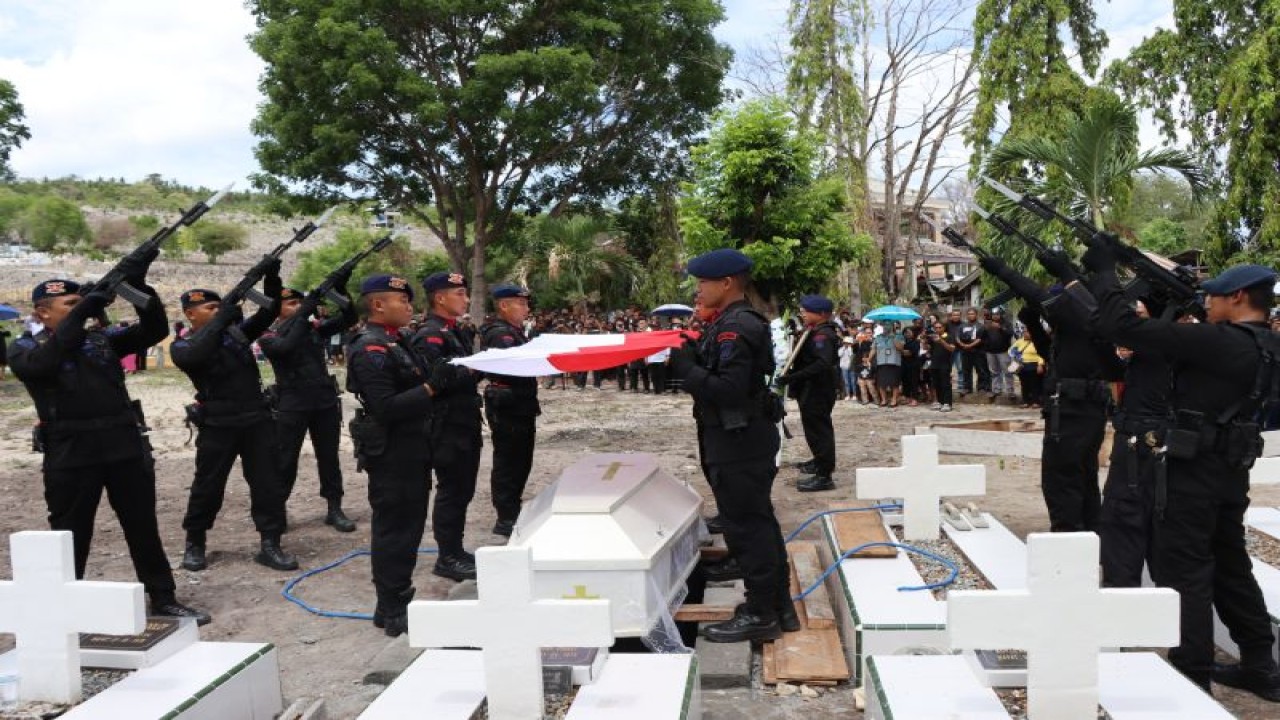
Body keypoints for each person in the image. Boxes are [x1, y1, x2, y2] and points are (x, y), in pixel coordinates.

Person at [1091, 254, 1280, 700]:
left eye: (1214, 294)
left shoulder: (1218, 342)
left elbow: (1126, 328)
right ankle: (1261, 666)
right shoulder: (1267, 345)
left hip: (1193, 472)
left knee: (1185, 572)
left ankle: (1190, 680)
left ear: (1237, 297)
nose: (1206, 300)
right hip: (1230, 471)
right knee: (1231, 566)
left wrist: (1105, 272)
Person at [9, 276, 209, 624]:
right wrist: (86, 307)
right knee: (71, 534)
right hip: (71, 453)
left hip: (123, 446)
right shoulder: (25, 347)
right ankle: (66, 609)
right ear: (42, 312)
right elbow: (44, 365)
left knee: (142, 526)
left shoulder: (100, 339)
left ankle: (162, 597)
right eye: (69, 305)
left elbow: (153, 328)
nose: (79, 310)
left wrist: (140, 286)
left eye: (79, 303)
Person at [668, 248, 794, 642]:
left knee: (746, 528)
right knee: (757, 523)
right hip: (738, 438)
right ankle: (776, 605)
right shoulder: (731, 322)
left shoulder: (735, 327)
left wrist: (687, 370)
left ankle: (761, 614)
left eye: (703, 282)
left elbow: (730, 389)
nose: (698, 290)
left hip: (738, 440)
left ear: (726, 283)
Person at [978, 252, 1122, 532]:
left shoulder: (1083, 320)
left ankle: (1068, 536)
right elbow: (1054, 357)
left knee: (1062, 477)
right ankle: (1089, 534)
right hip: (1079, 409)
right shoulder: (1077, 331)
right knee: (1082, 475)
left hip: (1074, 410)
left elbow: (1034, 293)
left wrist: (1003, 269)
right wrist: (1033, 324)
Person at [171, 274, 298, 574]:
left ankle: (270, 543)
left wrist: (272, 276)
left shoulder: (236, 335)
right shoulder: (184, 344)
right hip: (218, 423)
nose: (218, 312)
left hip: (256, 419)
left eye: (220, 307)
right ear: (190, 313)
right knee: (208, 485)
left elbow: (268, 312)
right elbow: (195, 358)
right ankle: (195, 542)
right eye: (211, 308)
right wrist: (221, 321)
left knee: (268, 482)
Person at [345, 274, 438, 636]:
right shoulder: (371, 348)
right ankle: (392, 605)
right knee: (394, 529)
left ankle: (399, 598)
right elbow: (385, 406)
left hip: (414, 446)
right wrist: (432, 388)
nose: (410, 307)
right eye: (402, 301)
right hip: (392, 452)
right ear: (378, 305)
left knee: (410, 525)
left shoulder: (397, 342)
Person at [258, 284, 358, 533]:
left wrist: (342, 291)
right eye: (291, 304)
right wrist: (303, 315)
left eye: (299, 303)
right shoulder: (268, 335)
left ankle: (334, 507)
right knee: (285, 459)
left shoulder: (311, 328)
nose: (298, 308)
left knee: (329, 457)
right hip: (292, 403)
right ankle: (277, 510)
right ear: (275, 310)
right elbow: (285, 347)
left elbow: (349, 318)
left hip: (323, 400)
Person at [409, 271, 483, 581]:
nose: (466, 299)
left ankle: (456, 548)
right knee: (452, 490)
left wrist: (472, 369)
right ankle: (447, 556)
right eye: (460, 294)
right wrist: (471, 370)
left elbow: (468, 373)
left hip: (465, 420)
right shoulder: (430, 335)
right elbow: (437, 381)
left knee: (464, 489)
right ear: (440, 298)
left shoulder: (455, 331)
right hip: (446, 424)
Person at [480, 283, 541, 538]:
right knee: (509, 461)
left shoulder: (515, 332)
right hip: (508, 405)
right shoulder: (500, 334)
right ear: (504, 305)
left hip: (521, 403)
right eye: (521, 303)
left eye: (527, 303)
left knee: (521, 460)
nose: (526, 308)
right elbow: (510, 367)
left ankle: (512, 507)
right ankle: (506, 516)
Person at [780, 295, 840, 492]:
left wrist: (794, 377)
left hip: (818, 389)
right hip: (811, 388)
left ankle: (824, 475)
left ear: (822, 314)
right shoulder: (814, 331)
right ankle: (818, 461)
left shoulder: (823, 335)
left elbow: (822, 364)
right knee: (812, 428)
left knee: (818, 430)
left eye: (806, 310)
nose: (802, 313)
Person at [955, 308, 988, 395]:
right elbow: (957, 337)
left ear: (976, 315)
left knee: (980, 370)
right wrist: (962, 344)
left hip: (978, 352)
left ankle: (981, 388)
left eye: (972, 314)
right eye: (969, 314)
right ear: (966, 315)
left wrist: (969, 345)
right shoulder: (962, 326)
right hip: (965, 352)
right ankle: (967, 388)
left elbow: (980, 339)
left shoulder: (981, 326)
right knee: (966, 370)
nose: (971, 315)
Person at [871, 323, 904, 407]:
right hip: (881, 362)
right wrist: (869, 358)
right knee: (881, 382)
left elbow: (900, 348)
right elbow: (873, 349)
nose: (886, 327)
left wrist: (893, 337)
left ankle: (894, 400)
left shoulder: (899, 336)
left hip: (894, 362)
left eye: (888, 325)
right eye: (885, 325)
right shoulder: (878, 337)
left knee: (894, 382)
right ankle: (884, 400)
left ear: (892, 326)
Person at [1010, 328, 1044, 408]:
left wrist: (1040, 364)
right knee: (1024, 384)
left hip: (1033, 365)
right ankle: (1025, 401)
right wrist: (1016, 355)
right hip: (1022, 365)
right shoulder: (1020, 341)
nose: (1025, 334)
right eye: (1024, 332)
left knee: (1034, 384)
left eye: (1027, 332)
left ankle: (1036, 401)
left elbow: (1041, 354)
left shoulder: (1037, 342)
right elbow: (1011, 350)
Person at [984, 309, 1014, 399]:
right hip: (990, 352)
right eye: (993, 314)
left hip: (1003, 351)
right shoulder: (988, 324)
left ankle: (1010, 391)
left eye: (997, 314)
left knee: (1007, 372)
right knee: (994, 372)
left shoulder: (1007, 323)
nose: (995, 316)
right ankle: (996, 390)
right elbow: (982, 336)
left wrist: (1000, 328)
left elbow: (1010, 334)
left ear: (1001, 315)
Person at [926, 320, 954, 411]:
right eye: (936, 328)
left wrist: (941, 341)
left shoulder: (949, 336)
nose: (938, 329)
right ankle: (939, 402)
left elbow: (951, 349)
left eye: (939, 327)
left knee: (945, 384)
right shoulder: (932, 338)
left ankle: (947, 403)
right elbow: (927, 349)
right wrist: (923, 341)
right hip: (934, 363)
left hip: (945, 363)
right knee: (935, 384)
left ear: (944, 328)